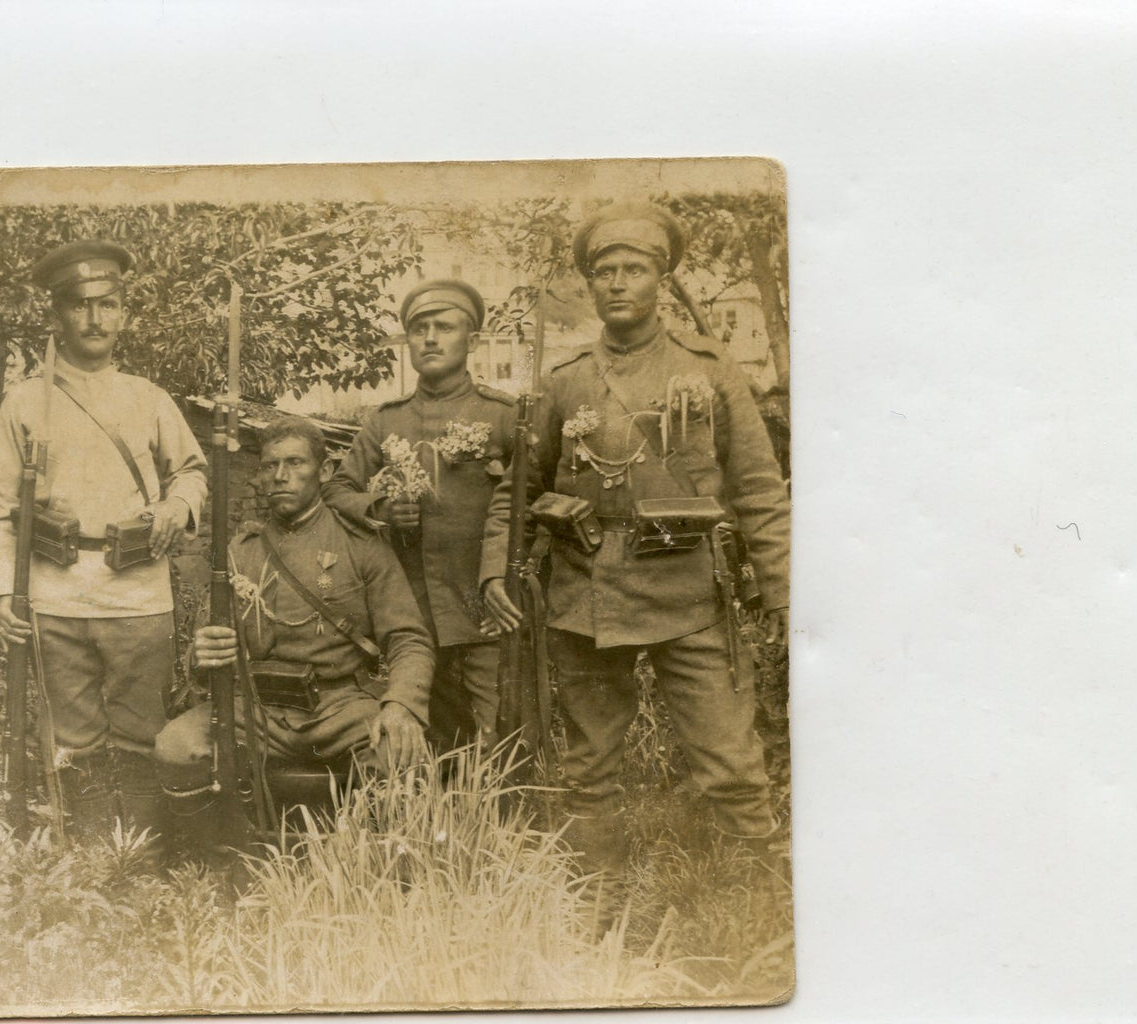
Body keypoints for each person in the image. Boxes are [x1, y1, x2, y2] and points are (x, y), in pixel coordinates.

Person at [480, 202, 791, 910]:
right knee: (589, 765)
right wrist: (494, 568)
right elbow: (515, 490)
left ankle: (757, 904)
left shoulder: (707, 371)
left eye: (634, 269)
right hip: (585, 593)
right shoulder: (564, 381)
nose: (618, 283)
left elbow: (758, 489)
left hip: (688, 594)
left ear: (661, 278)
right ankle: (600, 900)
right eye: (604, 271)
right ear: (589, 286)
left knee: (730, 761)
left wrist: (781, 593)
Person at [0, 240, 206, 840]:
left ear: (124, 314)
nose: (94, 319)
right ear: (58, 316)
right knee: (74, 744)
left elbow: (191, 470)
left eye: (107, 305)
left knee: (140, 738)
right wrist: (5, 593)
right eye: (80, 306)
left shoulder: (147, 397)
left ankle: (139, 860)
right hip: (54, 597)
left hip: (136, 597)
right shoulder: (25, 402)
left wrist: (177, 504)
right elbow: (0, 508)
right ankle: (86, 864)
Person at [154, 416, 434, 839]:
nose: (280, 476)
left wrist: (401, 705)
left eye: (295, 463)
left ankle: (370, 868)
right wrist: (203, 652)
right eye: (269, 466)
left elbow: (409, 638)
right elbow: (208, 637)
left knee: (400, 753)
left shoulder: (361, 545)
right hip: (254, 708)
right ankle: (220, 857)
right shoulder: (240, 549)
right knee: (176, 748)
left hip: (339, 705)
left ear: (323, 472)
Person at [324, 279, 514, 750]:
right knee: (433, 732)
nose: (429, 338)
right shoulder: (386, 420)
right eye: (418, 329)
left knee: (500, 730)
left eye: (443, 327)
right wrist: (381, 509)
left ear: (471, 342)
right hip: (412, 608)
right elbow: (337, 490)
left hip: (483, 602)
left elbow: (529, 498)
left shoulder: (503, 415)